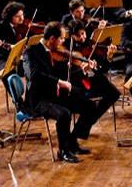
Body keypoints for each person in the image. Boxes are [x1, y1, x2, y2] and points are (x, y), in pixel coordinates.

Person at [24, 22, 98, 163]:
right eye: (62, 38)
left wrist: (82, 69)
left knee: (89, 105)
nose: (63, 41)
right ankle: (63, 151)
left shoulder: (54, 52)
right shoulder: (30, 52)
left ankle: (72, 141)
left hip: (55, 94)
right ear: (52, 38)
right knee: (64, 114)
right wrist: (58, 82)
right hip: (39, 99)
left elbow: (61, 71)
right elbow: (34, 76)